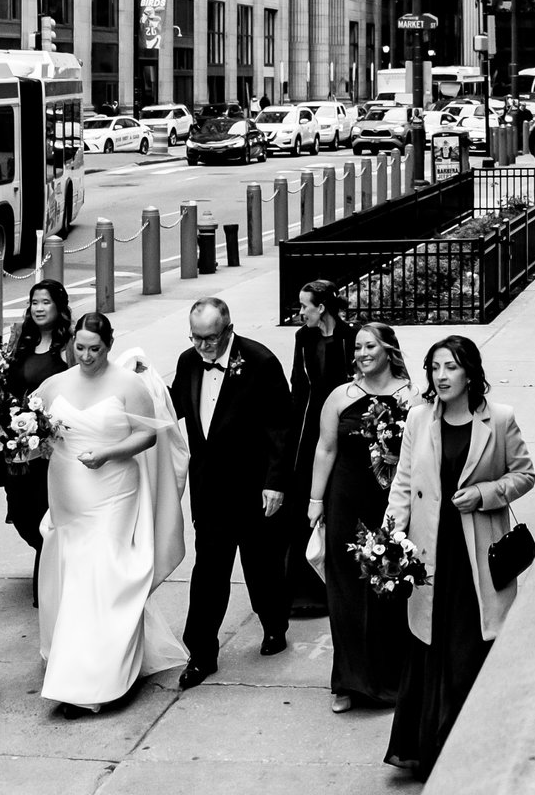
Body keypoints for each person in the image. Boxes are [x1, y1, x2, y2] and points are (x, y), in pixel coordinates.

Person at [384, 335, 535, 779]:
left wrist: (485, 494)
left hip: (476, 555)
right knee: (430, 645)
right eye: (434, 367)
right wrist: (390, 537)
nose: (441, 376)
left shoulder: (499, 420)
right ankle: (430, 749)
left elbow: (524, 474)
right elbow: (403, 480)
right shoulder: (417, 419)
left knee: (469, 650)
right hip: (430, 553)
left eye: (450, 367)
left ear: (469, 372)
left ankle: (472, 750)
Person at [33, 312, 191, 715]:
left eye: (96, 349)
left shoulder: (128, 385)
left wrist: (107, 453)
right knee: (73, 575)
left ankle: (98, 680)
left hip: (113, 491)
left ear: (110, 345)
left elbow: (147, 434)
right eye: (80, 348)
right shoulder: (53, 386)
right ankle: (76, 662)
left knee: (104, 577)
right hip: (68, 492)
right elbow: (39, 433)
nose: (86, 356)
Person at [169, 296, 294, 687]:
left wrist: (275, 483)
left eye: (211, 338)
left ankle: (274, 623)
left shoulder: (260, 361)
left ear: (228, 328)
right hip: (209, 489)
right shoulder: (188, 361)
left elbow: (281, 427)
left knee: (262, 565)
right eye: (197, 338)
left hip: (253, 486)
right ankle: (201, 653)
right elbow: (174, 407)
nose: (204, 346)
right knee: (208, 572)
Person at [306, 321, 415, 712]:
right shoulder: (340, 396)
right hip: (345, 504)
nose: (362, 354)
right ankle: (348, 682)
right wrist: (316, 501)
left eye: (370, 346)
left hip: (391, 507)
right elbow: (325, 449)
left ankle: (390, 679)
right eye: (357, 347)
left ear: (389, 349)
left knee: (389, 589)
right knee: (346, 594)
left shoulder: (414, 398)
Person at [0, 280, 72, 556]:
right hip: (18, 442)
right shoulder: (21, 340)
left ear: (59, 306)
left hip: (52, 445)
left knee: (44, 507)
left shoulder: (69, 345)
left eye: (46, 302)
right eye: (34, 302)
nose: (39, 308)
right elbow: (6, 384)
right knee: (19, 508)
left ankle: (50, 561)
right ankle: (48, 553)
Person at [284, 280, 355, 618]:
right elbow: (299, 384)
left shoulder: (351, 337)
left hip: (345, 425)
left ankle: (339, 583)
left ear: (322, 307)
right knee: (305, 502)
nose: (300, 313)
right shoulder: (303, 338)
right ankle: (304, 589)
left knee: (338, 500)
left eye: (305, 307)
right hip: (311, 426)